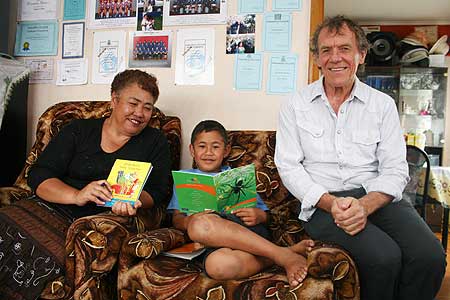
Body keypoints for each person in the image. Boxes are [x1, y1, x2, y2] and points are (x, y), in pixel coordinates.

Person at [274, 15, 446, 300]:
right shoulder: (295, 105)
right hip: (323, 203)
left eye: (344, 48)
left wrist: (365, 205)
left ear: (361, 54)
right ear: (316, 58)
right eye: (326, 50)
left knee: (430, 256)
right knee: (384, 258)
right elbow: (288, 166)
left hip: (375, 197)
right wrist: (331, 203)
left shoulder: (382, 105)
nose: (335, 58)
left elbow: (395, 169)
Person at [168, 120, 314, 287]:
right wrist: (187, 220)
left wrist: (259, 215)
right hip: (212, 242)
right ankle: (283, 253)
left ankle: (283, 257)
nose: (208, 152)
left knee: (199, 225)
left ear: (226, 150)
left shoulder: (237, 177)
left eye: (215, 147)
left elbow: (266, 216)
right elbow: (177, 218)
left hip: (247, 232)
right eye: (202, 146)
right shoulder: (184, 180)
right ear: (192, 150)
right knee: (217, 265)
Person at [28, 69, 171, 220]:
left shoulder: (155, 141)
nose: (140, 113)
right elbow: (39, 175)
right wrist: (77, 196)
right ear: (114, 101)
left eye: (147, 108)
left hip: (101, 221)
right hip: (54, 207)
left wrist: (133, 199)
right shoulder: (78, 130)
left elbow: (158, 191)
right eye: (133, 103)